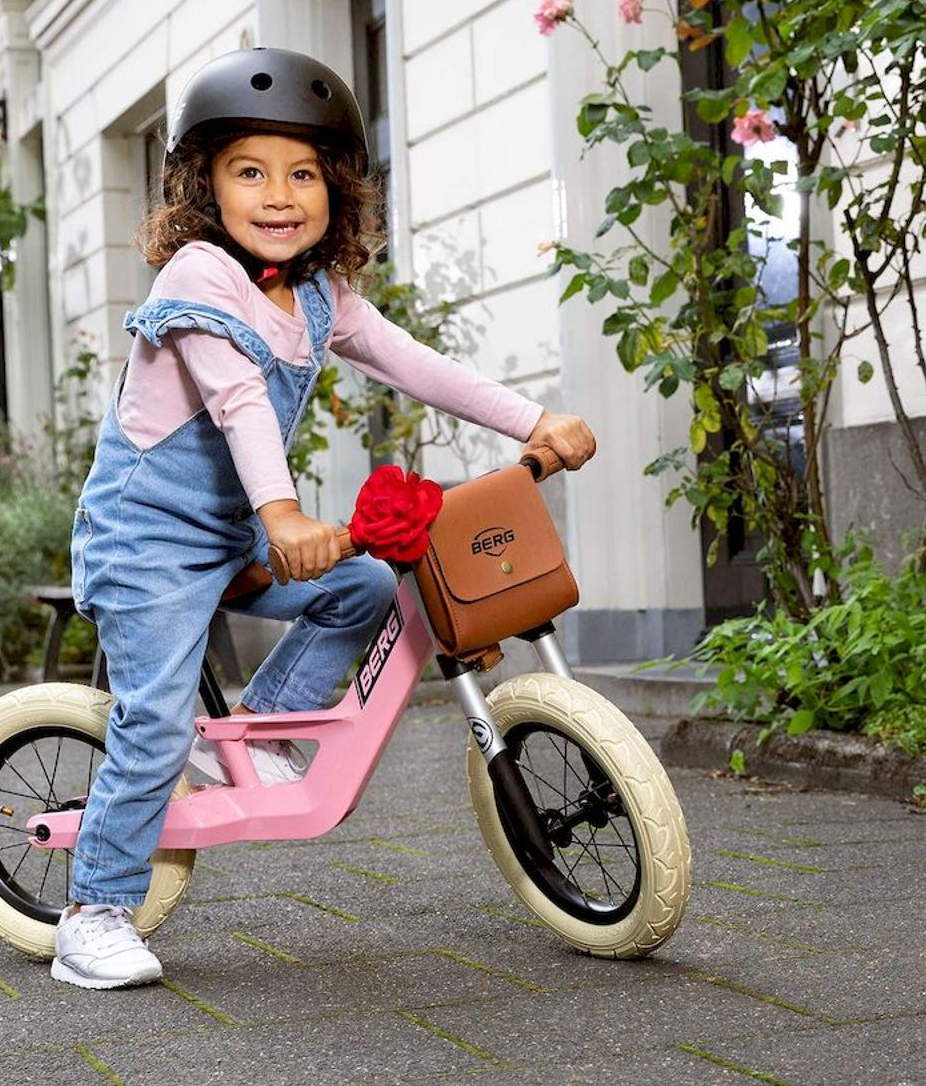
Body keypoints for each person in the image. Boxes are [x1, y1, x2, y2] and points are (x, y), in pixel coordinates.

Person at [51, 48, 596, 990]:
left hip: (233, 533)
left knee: (367, 584)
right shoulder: (196, 278)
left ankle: (258, 736)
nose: (279, 195)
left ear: (335, 191)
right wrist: (285, 513)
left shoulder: (315, 294)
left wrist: (534, 419)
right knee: (154, 719)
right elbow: (236, 402)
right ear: (203, 185)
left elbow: (415, 363)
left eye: (302, 173)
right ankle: (92, 911)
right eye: (249, 172)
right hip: (146, 543)